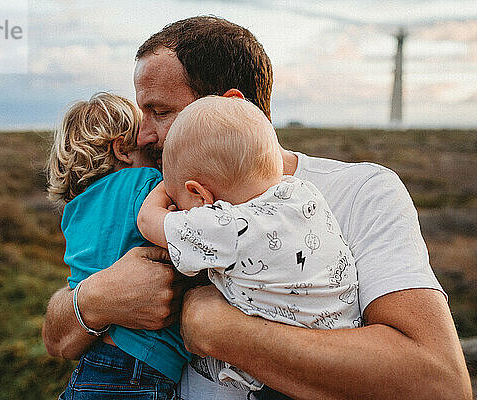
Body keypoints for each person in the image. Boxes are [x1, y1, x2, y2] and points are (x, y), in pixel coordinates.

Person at [43, 16, 472, 399]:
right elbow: (56, 340)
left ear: (231, 106)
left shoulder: (361, 192)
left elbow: (439, 382)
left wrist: (220, 329)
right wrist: (96, 299)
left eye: (159, 112)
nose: (142, 137)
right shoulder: (158, 195)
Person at [137, 95, 362, 392]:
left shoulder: (227, 228)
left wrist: (167, 183)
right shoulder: (302, 192)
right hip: (346, 349)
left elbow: (147, 220)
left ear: (199, 195)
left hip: (283, 378)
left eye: (180, 203)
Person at [46, 92, 189, 399]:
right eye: (145, 149)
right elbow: (182, 221)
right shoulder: (143, 182)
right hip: (138, 368)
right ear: (122, 149)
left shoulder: (74, 210)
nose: (153, 153)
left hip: (91, 362)